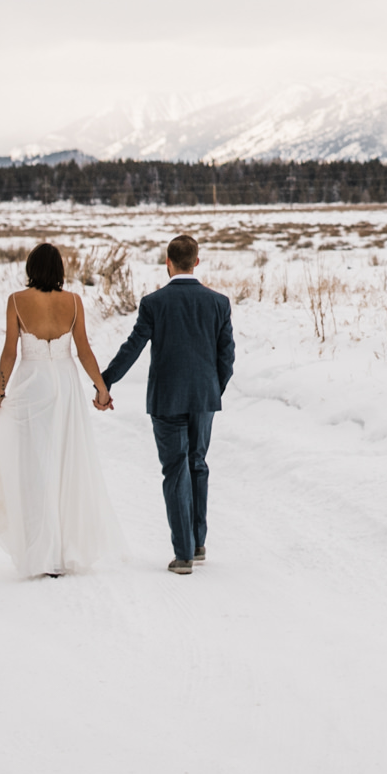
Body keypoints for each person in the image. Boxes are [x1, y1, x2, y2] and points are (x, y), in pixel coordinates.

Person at [0, 242, 128, 577]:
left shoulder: (16, 301)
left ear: (31, 268)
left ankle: (42, 551)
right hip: (66, 384)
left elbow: (9, 352)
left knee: (35, 467)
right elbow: (83, 349)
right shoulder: (73, 301)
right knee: (65, 462)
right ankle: (62, 551)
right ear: (58, 270)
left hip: (33, 384)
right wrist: (101, 388)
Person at [101, 233, 235, 576]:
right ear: (198, 261)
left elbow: (133, 346)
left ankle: (184, 554)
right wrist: (212, 389)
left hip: (167, 398)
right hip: (204, 397)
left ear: (168, 262)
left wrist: (105, 380)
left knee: (176, 469)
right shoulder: (218, 302)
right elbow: (227, 356)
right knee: (197, 464)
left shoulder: (154, 303)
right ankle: (198, 542)